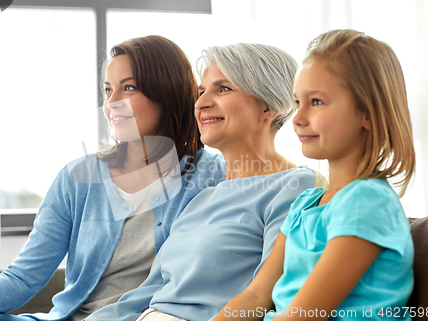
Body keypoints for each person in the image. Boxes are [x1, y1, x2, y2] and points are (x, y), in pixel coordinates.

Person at [0, 35, 226, 321]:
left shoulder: (211, 175)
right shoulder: (77, 178)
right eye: (108, 90)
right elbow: (23, 279)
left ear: (167, 92)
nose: (112, 103)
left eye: (129, 87)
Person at [85, 43, 317, 321]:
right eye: (201, 91)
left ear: (269, 106)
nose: (201, 103)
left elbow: (269, 299)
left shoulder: (296, 187)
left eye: (223, 89)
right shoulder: (202, 199)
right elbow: (145, 294)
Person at [212, 30, 416, 321]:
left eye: (316, 102)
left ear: (367, 112)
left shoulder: (367, 202)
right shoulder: (306, 204)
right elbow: (255, 296)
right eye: (297, 102)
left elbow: (304, 316)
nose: (297, 118)